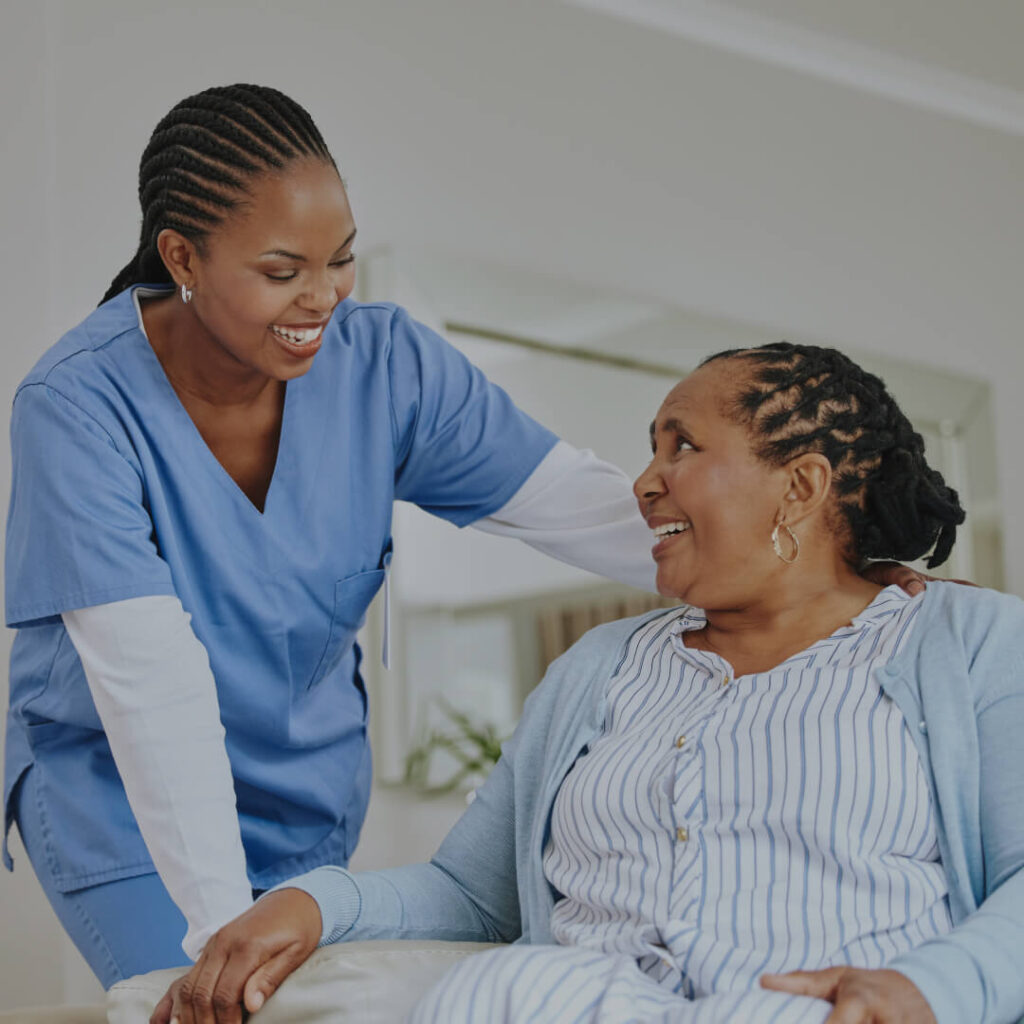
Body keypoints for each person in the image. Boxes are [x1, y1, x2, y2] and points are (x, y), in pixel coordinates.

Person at [3, 83, 662, 987]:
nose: (322, 298)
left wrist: (822, 566)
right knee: (205, 997)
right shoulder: (78, 406)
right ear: (182, 255)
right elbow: (146, 681)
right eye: (282, 271)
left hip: (308, 801)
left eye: (341, 261)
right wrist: (218, 932)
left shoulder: (386, 366)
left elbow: (582, 507)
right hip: (121, 796)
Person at [153, 342, 1024, 1024]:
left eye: (683, 445)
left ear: (799, 485)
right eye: (652, 448)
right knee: (499, 992)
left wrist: (932, 992)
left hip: (807, 1006)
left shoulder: (965, 642)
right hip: (581, 1004)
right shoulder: (601, 667)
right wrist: (313, 902)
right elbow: (472, 891)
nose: (646, 482)